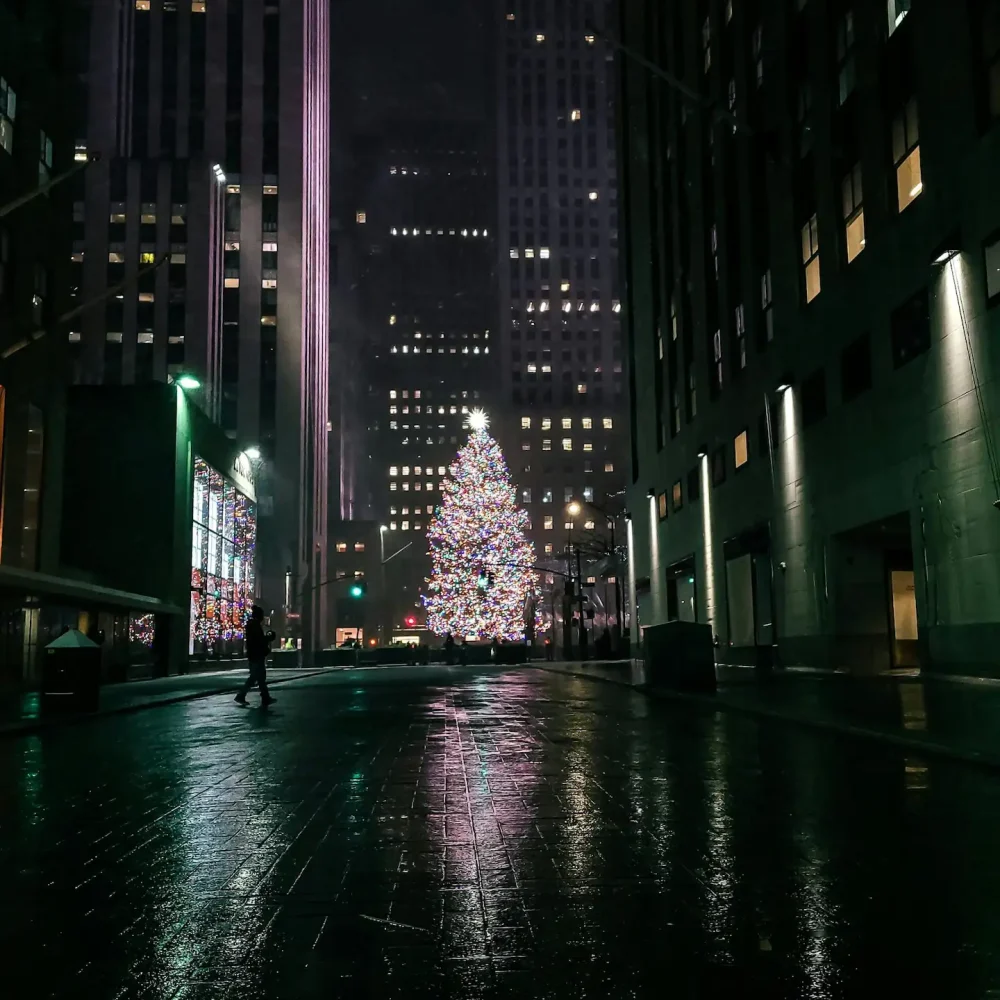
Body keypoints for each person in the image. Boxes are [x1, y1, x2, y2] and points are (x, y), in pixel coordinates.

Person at [236, 606, 276, 706]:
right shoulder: (255, 626)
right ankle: (241, 695)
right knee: (256, 676)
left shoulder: (253, 625)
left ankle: (265, 697)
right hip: (256, 655)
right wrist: (268, 639)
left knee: (259, 677)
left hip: (255, 654)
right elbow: (258, 641)